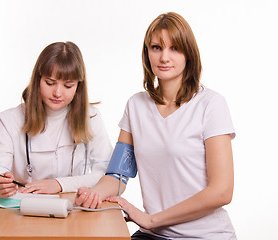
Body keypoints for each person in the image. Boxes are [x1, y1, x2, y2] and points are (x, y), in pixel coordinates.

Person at [75, 12, 237, 240]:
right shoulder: (136, 106)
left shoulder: (211, 104)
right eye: (156, 47)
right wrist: (92, 194)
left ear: (188, 54)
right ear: (146, 53)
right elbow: (118, 175)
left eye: (175, 48)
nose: (164, 57)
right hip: (153, 234)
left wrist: (151, 219)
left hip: (205, 235)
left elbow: (222, 191)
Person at [0, 41, 112, 198]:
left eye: (68, 86)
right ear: (38, 79)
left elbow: (107, 176)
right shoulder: (8, 120)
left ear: (78, 86)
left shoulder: (92, 118)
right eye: (50, 83)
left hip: (72, 212)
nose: (57, 93)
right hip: (21, 213)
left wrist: (58, 184)